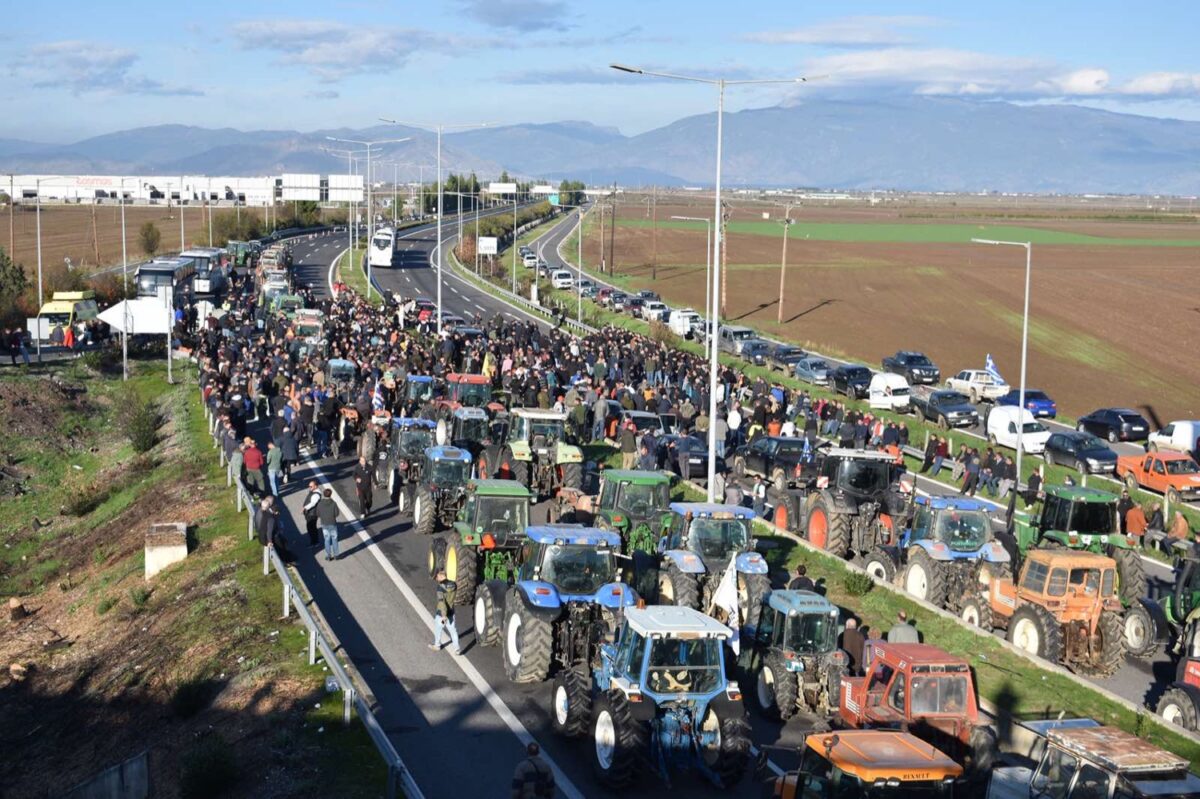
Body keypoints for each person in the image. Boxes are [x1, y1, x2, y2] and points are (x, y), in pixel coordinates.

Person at [430, 569, 462, 655]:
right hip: (451, 612)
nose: (436, 579)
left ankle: (437, 645)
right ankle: (457, 649)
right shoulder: (454, 585)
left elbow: (442, 602)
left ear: (441, 576)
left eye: (437, 577)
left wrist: (443, 615)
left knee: (438, 628)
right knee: (453, 631)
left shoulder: (440, 587)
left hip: (442, 614)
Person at [318, 488, 340, 562]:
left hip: (324, 523)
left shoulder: (320, 503)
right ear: (330, 494)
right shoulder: (333, 503)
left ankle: (328, 555)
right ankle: (336, 555)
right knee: (334, 539)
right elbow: (337, 513)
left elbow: (318, 513)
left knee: (327, 539)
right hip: (332, 523)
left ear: (324, 494)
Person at [302, 480, 322, 547]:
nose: (309, 487)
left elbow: (313, 503)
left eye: (311, 486)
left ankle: (314, 542)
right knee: (312, 528)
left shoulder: (316, 495)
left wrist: (305, 508)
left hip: (312, 514)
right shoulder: (313, 491)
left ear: (315, 486)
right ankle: (314, 541)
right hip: (310, 513)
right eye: (309, 486)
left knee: (311, 528)